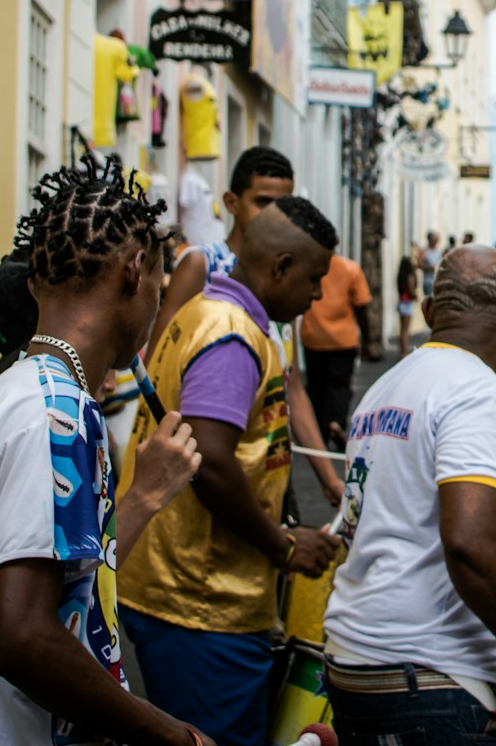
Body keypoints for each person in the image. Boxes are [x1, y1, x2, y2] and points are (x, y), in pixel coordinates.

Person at [0, 157, 209, 746]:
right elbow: (22, 637)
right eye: (160, 289)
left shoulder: (15, 390)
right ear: (136, 271)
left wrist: (145, 494)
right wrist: (168, 734)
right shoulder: (56, 410)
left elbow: (68, 591)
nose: (156, 309)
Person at [117, 198, 345, 746]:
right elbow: (210, 461)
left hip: (178, 586)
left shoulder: (204, 311)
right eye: (313, 279)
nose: (316, 296)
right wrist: (283, 546)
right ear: (281, 266)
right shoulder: (231, 334)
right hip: (200, 599)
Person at [323, 246, 496, 743]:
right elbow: (470, 543)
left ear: (430, 312)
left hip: (357, 661)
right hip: (427, 677)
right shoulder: (475, 393)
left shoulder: (383, 389)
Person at [165, 146, 343, 504]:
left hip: (269, 467)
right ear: (231, 202)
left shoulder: (287, 283)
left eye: (285, 204)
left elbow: (291, 388)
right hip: (210, 472)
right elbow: (164, 367)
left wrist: (329, 478)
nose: (276, 215)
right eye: (262, 201)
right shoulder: (202, 265)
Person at [301, 252, 373, 446]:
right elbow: (361, 306)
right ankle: (336, 421)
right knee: (340, 385)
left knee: (316, 386)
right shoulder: (350, 269)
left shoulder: (307, 267)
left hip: (313, 336)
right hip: (343, 339)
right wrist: (368, 340)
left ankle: (319, 431)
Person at [396, 252, 421, 358]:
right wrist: (416, 296)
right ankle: (405, 352)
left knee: (402, 330)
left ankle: (402, 350)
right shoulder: (410, 276)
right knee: (406, 330)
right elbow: (411, 289)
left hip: (401, 302)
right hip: (407, 303)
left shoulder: (400, 276)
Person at [418, 231, 444, 300]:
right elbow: (419, 264)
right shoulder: (424, 251)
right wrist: (431, 267)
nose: (436, 241)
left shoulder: (439, 251)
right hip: (428, 281)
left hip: (438, 281)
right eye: (435, 239)